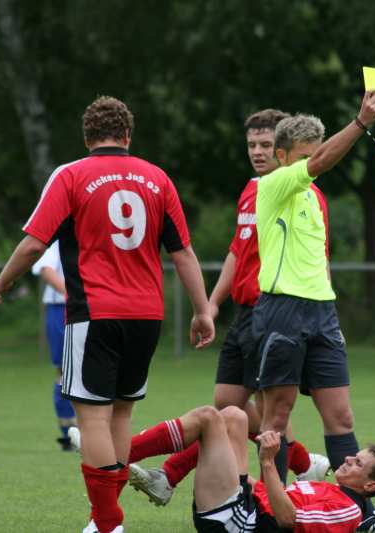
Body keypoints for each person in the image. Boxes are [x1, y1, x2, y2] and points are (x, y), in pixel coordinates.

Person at [0, 96, 215, 533]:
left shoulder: (71, 175)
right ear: (127, 135)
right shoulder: (157, 178)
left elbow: (34, 244)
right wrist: (203, 311)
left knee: (92, 417)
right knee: (121, 416)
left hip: (95, 313)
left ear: (87, 136)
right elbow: (183, 252)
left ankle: (108, 522)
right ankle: (103, 520)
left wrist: (3, 280)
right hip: (147, 315)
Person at [124, 109, 330, 507]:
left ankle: (165, 472)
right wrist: (213, 304)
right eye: (252, 144)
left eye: (266, 145)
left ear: (284, 150)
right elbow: (238, 251)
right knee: (227, 403)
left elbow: (318, 255)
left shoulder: (296, 192)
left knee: (254, 411)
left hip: (273, 312)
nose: (257, 152)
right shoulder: (252, 189)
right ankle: (305, 464)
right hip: (245, 312)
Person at [252, 91, 375, 533]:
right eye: (305, 156)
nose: (314, 162)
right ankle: (273, 513)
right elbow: (320, 163)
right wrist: (360, 123)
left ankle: (357, 515)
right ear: (283, 157)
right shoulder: (273, 185)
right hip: (283, 311)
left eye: (314, 153)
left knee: (341, 418)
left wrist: (328, 304)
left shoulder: (314, 198)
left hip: (323, 313)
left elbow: (320, 258)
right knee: (276, 419)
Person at [72, 405, 375, 532]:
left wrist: (268, 462)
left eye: (358, 463)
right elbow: (273, 498)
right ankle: (131, 464)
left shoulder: (347, 509)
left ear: (370, 486)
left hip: (240, 524)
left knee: (208, 418)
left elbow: (287, 519)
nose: (348, 459)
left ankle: (113, 455)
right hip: (246, 506)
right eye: (354, 456)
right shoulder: (333, 491)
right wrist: (243, 475)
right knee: (233, 416)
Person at [31, 240, 78, 451]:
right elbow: (45, 269)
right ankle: (68, 432)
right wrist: (72, 295)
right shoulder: (60, 243)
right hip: (62, 310)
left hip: (93, 309)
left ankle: (96, 429)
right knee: (65, 372)